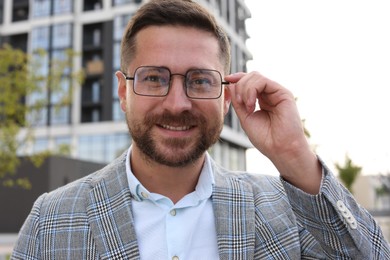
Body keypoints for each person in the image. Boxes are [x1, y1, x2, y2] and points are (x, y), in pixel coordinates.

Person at [12, 0, 390, 259]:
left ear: (227, 97)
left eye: (200, 80)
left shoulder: (287, 208)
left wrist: (295, 156)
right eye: (155, 78)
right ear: (123, 91)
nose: (177, 104)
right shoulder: (51, 219)